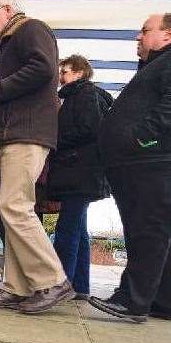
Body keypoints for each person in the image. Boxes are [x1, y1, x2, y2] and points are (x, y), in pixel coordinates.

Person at [0, 0, 74, 313]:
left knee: (15, 207)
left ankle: (52, 279)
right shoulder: (15, 38)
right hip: (15, 134)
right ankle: (16, 287)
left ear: (6, 9)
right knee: (10, 209)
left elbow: (44, 69)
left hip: (25, 134)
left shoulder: (31, 29)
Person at [91, 13, 171, 323]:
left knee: (149, 230)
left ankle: (132, 301)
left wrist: (140, 139)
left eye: (145, 31)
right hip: (145, 164)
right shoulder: (158, 65)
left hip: (159, 162)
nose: (138, 37)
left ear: (169, 34)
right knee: (155, 232)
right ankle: (163, 302)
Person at [47, 55, 112, 301]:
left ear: (79, 73)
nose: (60, 77)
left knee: (67, 228)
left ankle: (62, 283)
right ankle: (79, 286)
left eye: (65, 71)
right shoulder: (83, 95)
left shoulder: (83, 95)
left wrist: (56, 142)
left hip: (78, 170)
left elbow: (89, 129)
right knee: (78, 229)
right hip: (83, 172)